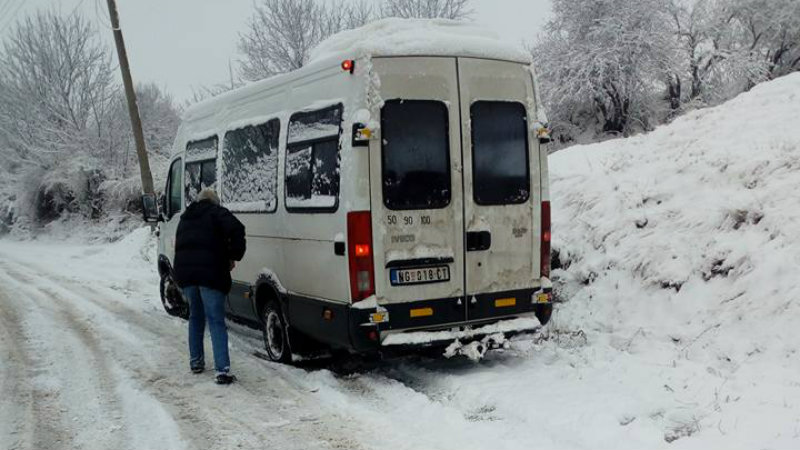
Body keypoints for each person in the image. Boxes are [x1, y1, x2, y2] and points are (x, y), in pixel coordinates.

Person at [174, 188, 246, 385]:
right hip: (211, 274)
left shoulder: (185, 217)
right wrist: (233, 255)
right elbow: (238, 229)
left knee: (196, 317)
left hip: (188, 275)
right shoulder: (217, 213)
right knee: (215, 320)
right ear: (215, 202)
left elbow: (179, 246)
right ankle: (222, 370)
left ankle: (196, 361)